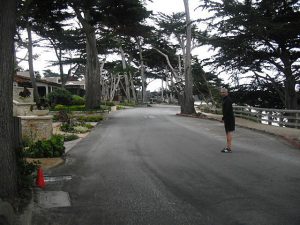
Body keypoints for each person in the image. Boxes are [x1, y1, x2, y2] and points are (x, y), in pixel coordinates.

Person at [220, 88, 235, 153]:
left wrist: (223, 118)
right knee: (227, 133)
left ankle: (229, 148)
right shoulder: (225, 99)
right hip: (227, 118)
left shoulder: (228, 100)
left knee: (229, 133)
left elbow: (227, 110)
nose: (222, 93)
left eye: (224, 92)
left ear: (227, 93)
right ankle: (228, 147)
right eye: (221, 92)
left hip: (229, 119)